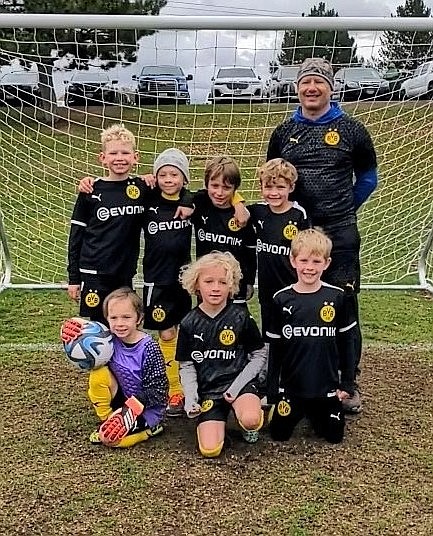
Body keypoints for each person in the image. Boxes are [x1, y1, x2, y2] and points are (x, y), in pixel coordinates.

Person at [267, 57, 378, 414]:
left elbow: (368, 178)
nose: (311, 88)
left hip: (340, 233)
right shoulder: (283, 132)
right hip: (294, 233)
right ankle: (291, 378)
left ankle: (348, 383)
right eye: (305, 82)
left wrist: (344, 208)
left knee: (343, 306)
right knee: (294, 305)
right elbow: (274, 176)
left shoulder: (353, 129)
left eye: (319, 82)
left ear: (331, 87)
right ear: (297, 88)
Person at [266, 228, 357, 444]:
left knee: (334, 437)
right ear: (293, 260)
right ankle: (296, 409)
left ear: (326, 263)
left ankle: (317, 411)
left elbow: (347, 344)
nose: (309, 268)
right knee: (279, 435)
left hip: (326, 389)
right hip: (291, 387)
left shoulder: (338, 297)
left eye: (316, 262)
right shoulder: (281, 299)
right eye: (304, 260)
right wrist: (271, 389)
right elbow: (275, 349)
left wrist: (347, 384)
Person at [176, 251, 267, 458]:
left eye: (223, 282)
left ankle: (246, 420)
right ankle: (219, 419)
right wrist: (191, 398)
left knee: (251, 418)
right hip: (210, 390)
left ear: (231, 286)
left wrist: (235, 389)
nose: (216, 288)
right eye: (209, 281)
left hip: (240, 384)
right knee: (210, 449)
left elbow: (259, 354)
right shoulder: (189, 323)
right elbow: (187, 365)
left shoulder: (240, 316)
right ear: (197, 284)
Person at [67, 124, 150, 324]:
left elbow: (174, 189)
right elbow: (76, 236)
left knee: (123, 323)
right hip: (95, 273)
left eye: (125, 152)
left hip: (124, 273)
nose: (119, 158)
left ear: (135, 157)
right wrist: (74, 279)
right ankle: (101, 357)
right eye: (113, 153)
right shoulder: (90, 190)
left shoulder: (142, 188)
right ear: (103, 158)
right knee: (99, 327)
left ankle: (122, 357)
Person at [141, 148, 194, 417]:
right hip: (156, 281)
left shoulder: (191, 203)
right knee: (166, 333)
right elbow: (126, 188)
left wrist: (187, 198)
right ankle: (173, 389)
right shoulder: (147, 199)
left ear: (184, 178)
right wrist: (144, 178)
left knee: (186, 331)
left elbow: (215, 194)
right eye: (162, 174)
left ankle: (190, 385)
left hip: (183, 281)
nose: (168, 179)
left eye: (174, 174)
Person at [82, 287, 168, 448]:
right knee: (98, 372)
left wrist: (134, 406)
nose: (120, 323)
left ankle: (149, 430)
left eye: (126, 317)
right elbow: (87, 350)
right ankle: (108, 419)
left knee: (112, 440)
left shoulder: (149, 348)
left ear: (139, 318)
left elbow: (159, 391)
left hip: (145, 407)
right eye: (114, 317)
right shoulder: (109, 341)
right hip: (122, 399)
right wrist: (74, 335)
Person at [248, 158, 309, 336]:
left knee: (293, 333)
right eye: (268, 187)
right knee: (270, 333)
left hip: (293, 288)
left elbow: (307, 250)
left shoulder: (299, 214)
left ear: (291, 188)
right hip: (267, 289)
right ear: (261, 187)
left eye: (280, 187)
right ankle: (272, 364)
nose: (274, 193)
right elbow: (235, 210)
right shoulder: (257, 212)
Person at [192, 156, 257, 305]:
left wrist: (249, 281)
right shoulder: (201, 203)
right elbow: (185, 194)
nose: (219, 193)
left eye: (227, 188)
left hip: (234, 285)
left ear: (235, 188)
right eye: (214, 186)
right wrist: (238, 200)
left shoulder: (243, 216)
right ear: (206, 185)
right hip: (207, 283)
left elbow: (250, 251)